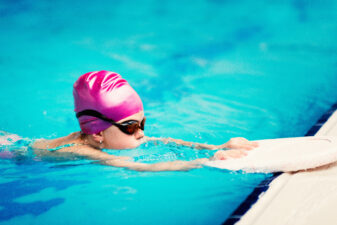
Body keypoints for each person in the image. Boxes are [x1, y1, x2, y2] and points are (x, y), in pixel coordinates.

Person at [31, 70, 258, 171]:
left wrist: (216, 147)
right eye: (130, 127)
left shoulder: (111, 136)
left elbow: (164, 141)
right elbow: (139, 167)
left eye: (142, 123)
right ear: (98, 133)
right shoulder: (82, 150)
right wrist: (207, 161)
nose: (141, 133)